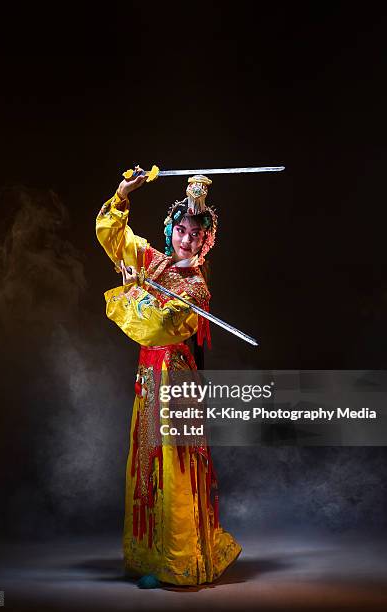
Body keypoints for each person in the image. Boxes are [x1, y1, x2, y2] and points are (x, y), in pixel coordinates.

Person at [96, 166, 241, 587]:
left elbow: (158, 327)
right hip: (148, 378)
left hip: (175, 382)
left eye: (196, 234)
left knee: (173, 465)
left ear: (206, 241)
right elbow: (114, 238)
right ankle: (152, 555)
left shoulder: (196, 289)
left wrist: (132, 292)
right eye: (181, 229)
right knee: (146, 464)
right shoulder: (153, 262)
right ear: (170, 231)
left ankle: (179, 561)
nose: (187, 238)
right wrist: (122, 193)